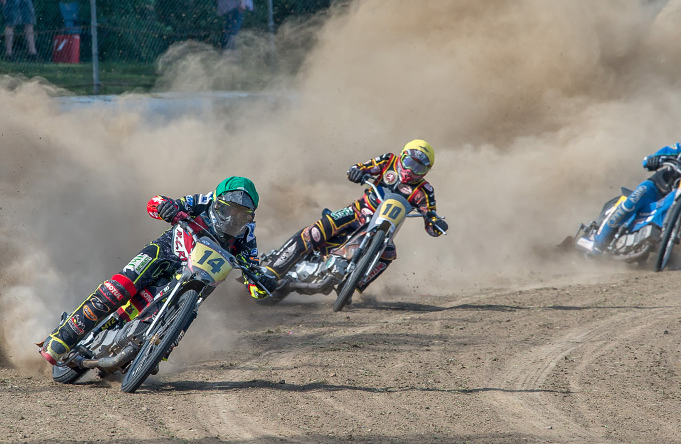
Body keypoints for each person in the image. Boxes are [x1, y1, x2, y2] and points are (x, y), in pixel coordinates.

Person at [38, 176, 278, 365]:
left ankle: (155, 351)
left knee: (190, 311)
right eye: (229, 210)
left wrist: (264, 282)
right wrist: (167, 207)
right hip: (165, 253)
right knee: (120, 287)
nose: (232, 219)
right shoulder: (201, 202)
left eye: (241, 214)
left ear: (250, 216)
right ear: (217, 201)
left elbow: (255, 282)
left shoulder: (247, 236)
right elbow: (155, 202)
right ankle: (63, 336)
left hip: (198, 278)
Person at [264, 139, 449, 295]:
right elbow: (361, 167)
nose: (412, 170)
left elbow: (430, 216)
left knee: (388, 255)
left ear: (426, 171)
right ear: (402, 157)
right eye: (410, 163)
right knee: (317, 231)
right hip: (357, 212)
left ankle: (350, 288)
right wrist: (357, 172)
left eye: (419, 168)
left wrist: (436, 224)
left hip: (386, 228)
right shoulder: (388, 161)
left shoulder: (425, 190)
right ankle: (272, 270)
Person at [591, 128, 681, 252]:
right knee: (630, 203)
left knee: (674, 198)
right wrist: (654, 160)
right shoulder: (680, 149)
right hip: (654, 187)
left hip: (678, 197)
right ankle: (596, 245)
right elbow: (650, 159)